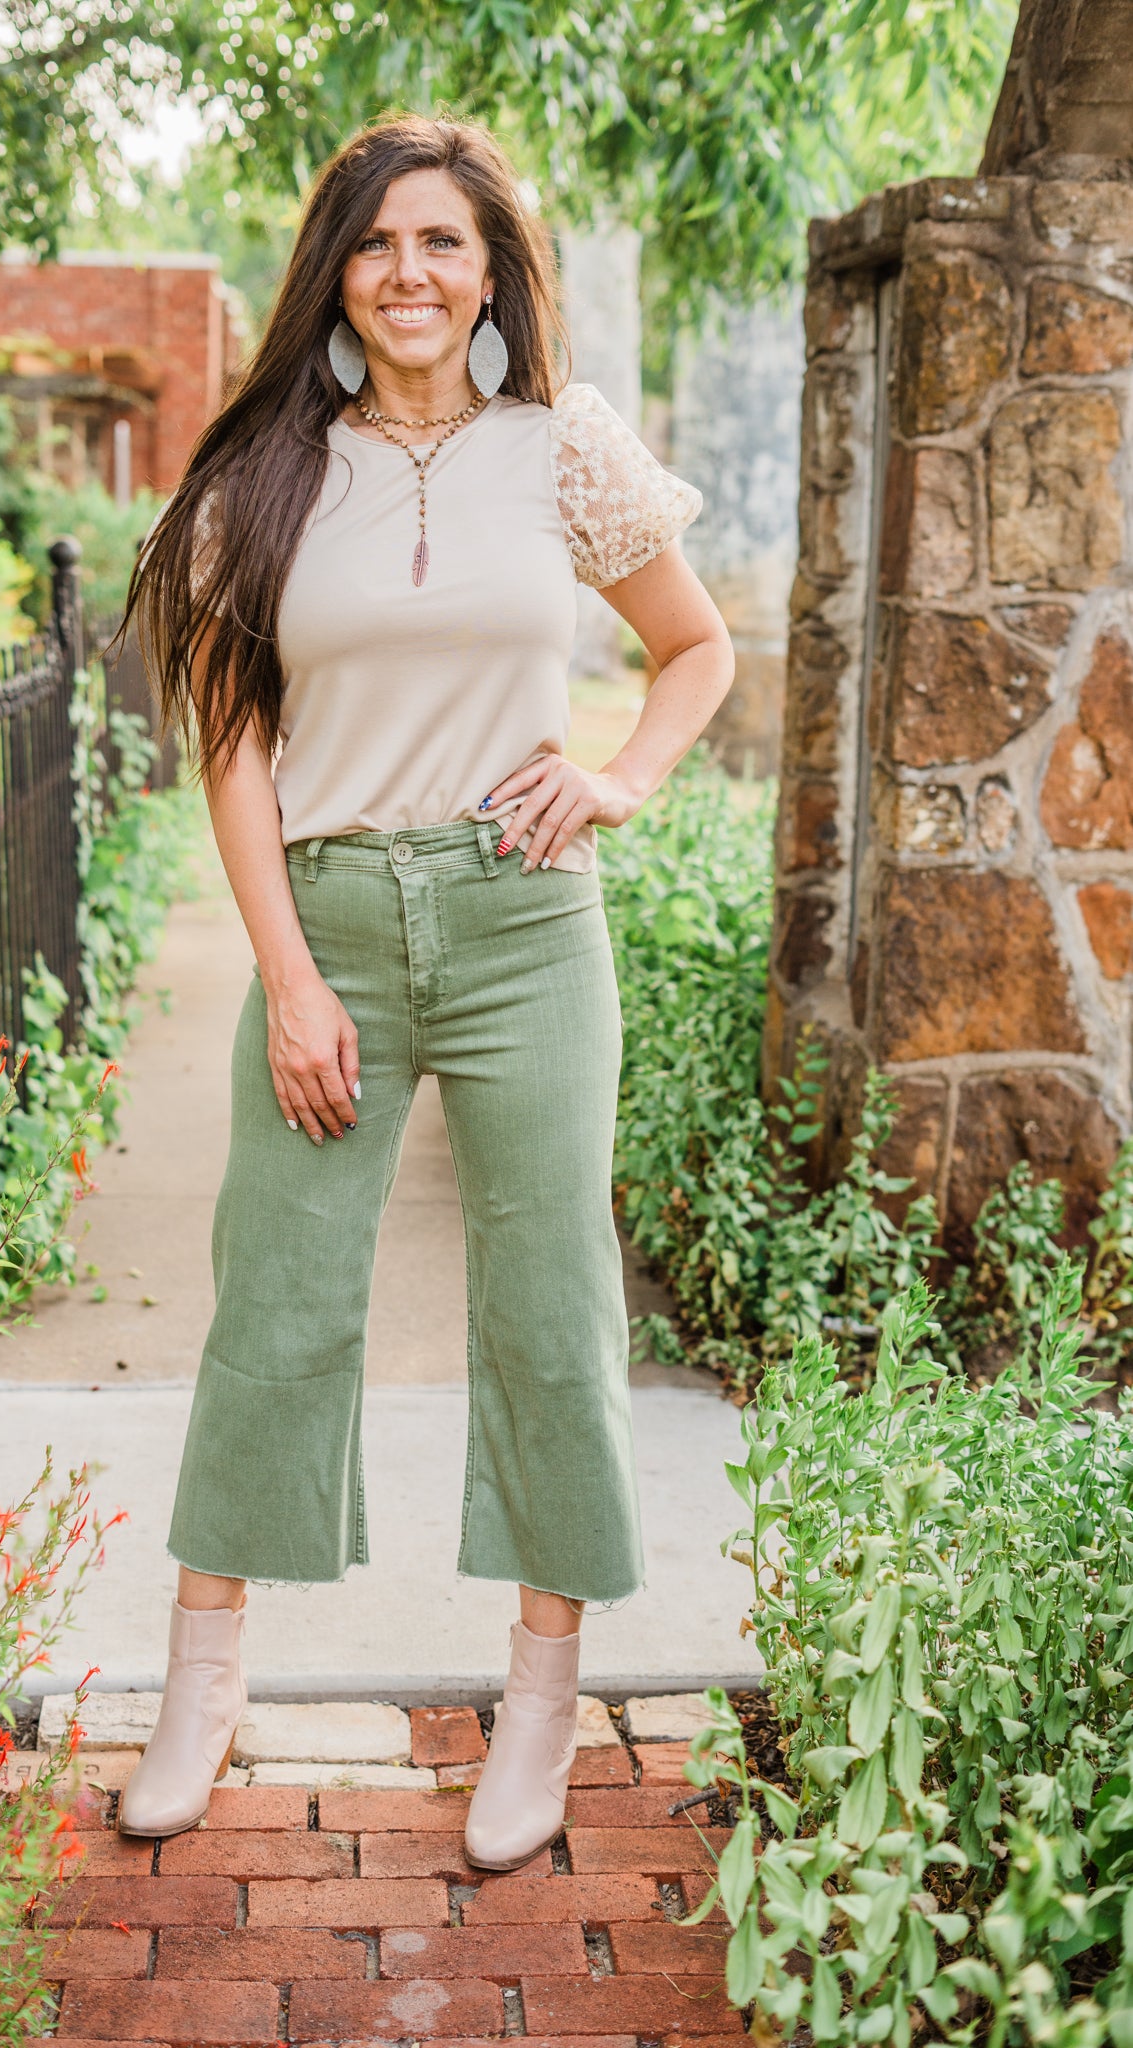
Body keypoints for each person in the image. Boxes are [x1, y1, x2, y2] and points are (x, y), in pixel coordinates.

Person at [115, 113, 733, 1871]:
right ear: (339, 268)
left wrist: (618, 774)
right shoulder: (262, 472)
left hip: (526, 917)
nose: (409, 272)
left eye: (444, 243)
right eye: (380, 243)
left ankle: (539, 1703)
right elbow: (232, 744)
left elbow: (696, 648)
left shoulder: (562, 450)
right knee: (275, 1304)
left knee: (551, 1312)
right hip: (333, 922)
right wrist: (290, 979)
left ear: (490, 271)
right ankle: (202, 1686)